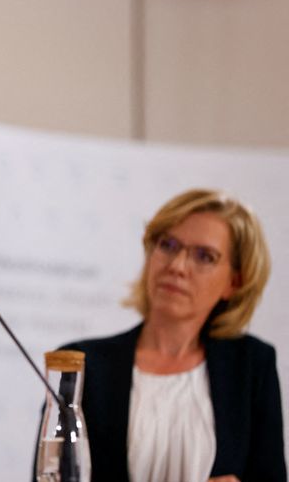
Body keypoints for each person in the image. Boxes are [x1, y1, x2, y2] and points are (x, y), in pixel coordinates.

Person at [62, 189, 285, 481]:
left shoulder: (252, 365)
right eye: (167, 245)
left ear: (234, 282)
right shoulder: (81, 363)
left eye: (204, 256)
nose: (177, 266)